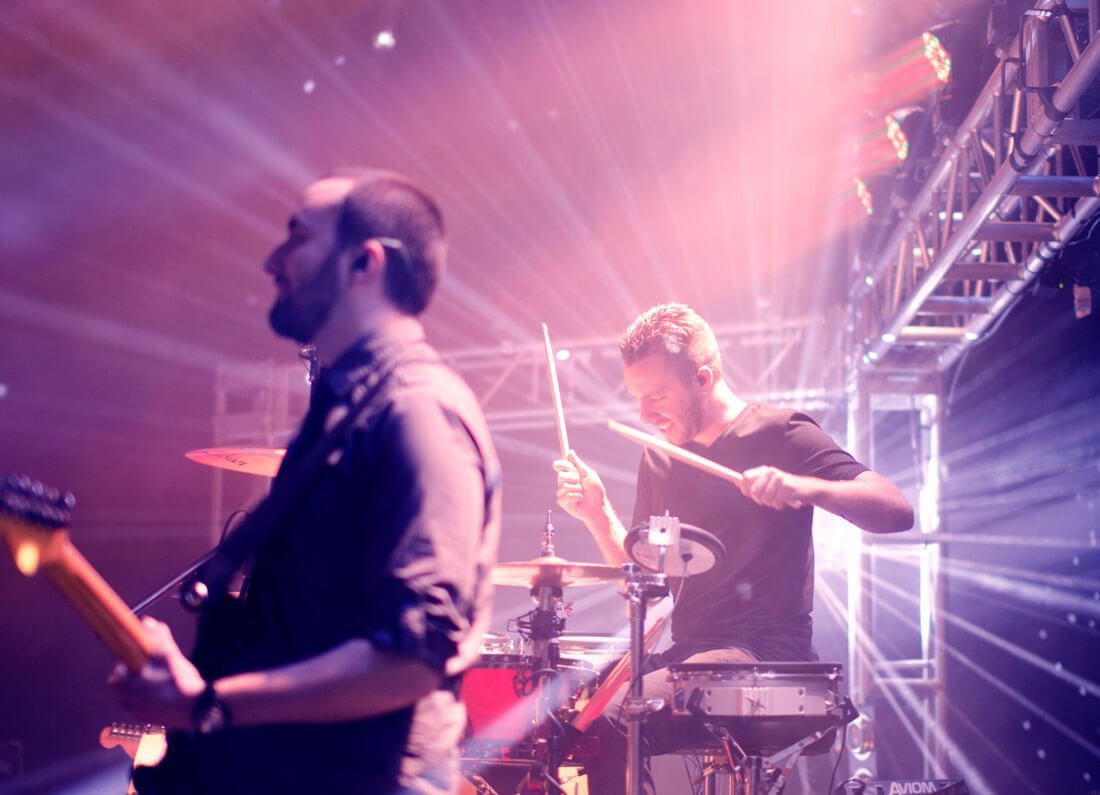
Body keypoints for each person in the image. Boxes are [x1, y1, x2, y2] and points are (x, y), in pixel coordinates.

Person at [110, 169, 502, 795]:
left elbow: (410, 656)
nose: (274, 260)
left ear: (365, 263)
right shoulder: (345, 414)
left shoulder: (417, 412)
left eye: (298, 237)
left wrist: (211, 704)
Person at [553, 302, 913, 792]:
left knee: (613, 720)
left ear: (702, 379)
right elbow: (645, 583)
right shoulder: (660, 458)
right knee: (563, 719)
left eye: (656, 396)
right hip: (691, 656)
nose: (644, 415)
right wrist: (597, 513)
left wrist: (805, 487)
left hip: (765, 655)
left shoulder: (781, 433)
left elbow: (895, 509)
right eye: (637, 398)